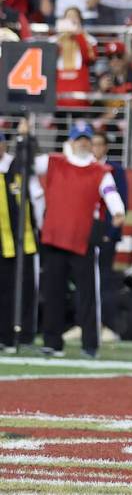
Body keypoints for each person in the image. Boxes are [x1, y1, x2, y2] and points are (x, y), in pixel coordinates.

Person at [32, 121, 125, 359]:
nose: (83, 142)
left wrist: (118, 210)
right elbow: (26, 164)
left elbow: (110, 192)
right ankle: (52, 342)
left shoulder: (99, 171)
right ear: (71, 141)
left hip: (83, 238)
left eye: (87, 139)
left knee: (87, 294)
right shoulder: (53, 162)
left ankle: (90, 343)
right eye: (79, 138)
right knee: (53, 292)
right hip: (54, 236)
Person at [0, 132, 37, 354]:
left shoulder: (18, 170)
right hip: (4, 242)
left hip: (22, 242)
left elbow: (35, 199)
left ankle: (22, 336)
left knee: (23, 291)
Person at [91, 131, 128, 336]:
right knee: (84, 280)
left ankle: (108, 325)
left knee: (105, 279)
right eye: (92, 144)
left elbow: (122, 202)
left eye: (99, 144)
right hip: (86, 233)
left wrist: (111, 232)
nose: (95, 148)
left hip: (105, 233)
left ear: (105, 147)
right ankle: (85, 323)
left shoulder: (115, 170)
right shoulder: (84, 168)